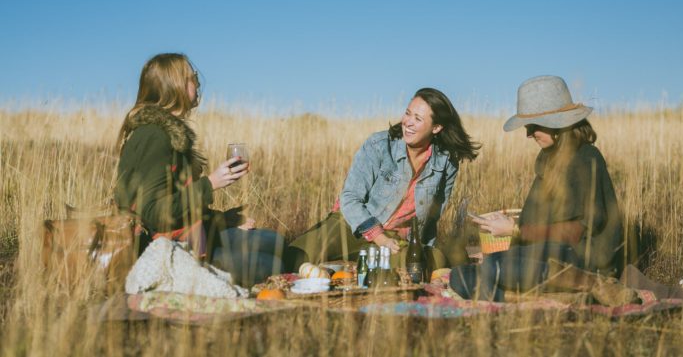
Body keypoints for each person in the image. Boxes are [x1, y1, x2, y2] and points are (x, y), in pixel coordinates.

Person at [450, 75, 637, 306]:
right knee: (459, 276)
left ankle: (594, 284)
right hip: (546, 256)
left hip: (581, 260)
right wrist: (506, 253)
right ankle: (538, 298)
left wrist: (515, 231)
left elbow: (576, 232)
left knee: (493, 267)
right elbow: (534, 228)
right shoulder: (547, 159)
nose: (529, 134)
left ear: (557, 124)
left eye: (533, 126)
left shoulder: (586, 158)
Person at [114, 53, 284, 287]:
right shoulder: (154, 136)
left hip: (188, 239)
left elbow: (178, 207)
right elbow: (153, 213)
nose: (198, 84)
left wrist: (223, 220)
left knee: (275, 242)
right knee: (271, 265)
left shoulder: (167, 134)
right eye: (192, 78)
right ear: (174, 86)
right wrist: (210, 183)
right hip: (168, 254)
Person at [286, 87, 480, 271]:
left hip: (394, 237)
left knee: (433, 261)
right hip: (352, 225)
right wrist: (378, 237)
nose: (408, 122)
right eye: (407, 113)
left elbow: (433, 215)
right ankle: (354, 257)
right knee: (294, 257)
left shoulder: (446, 162)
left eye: (418, 118)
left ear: (436, 127)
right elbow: (350, 197)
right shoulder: (378, 145)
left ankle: (362, 263)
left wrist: (421, 249)